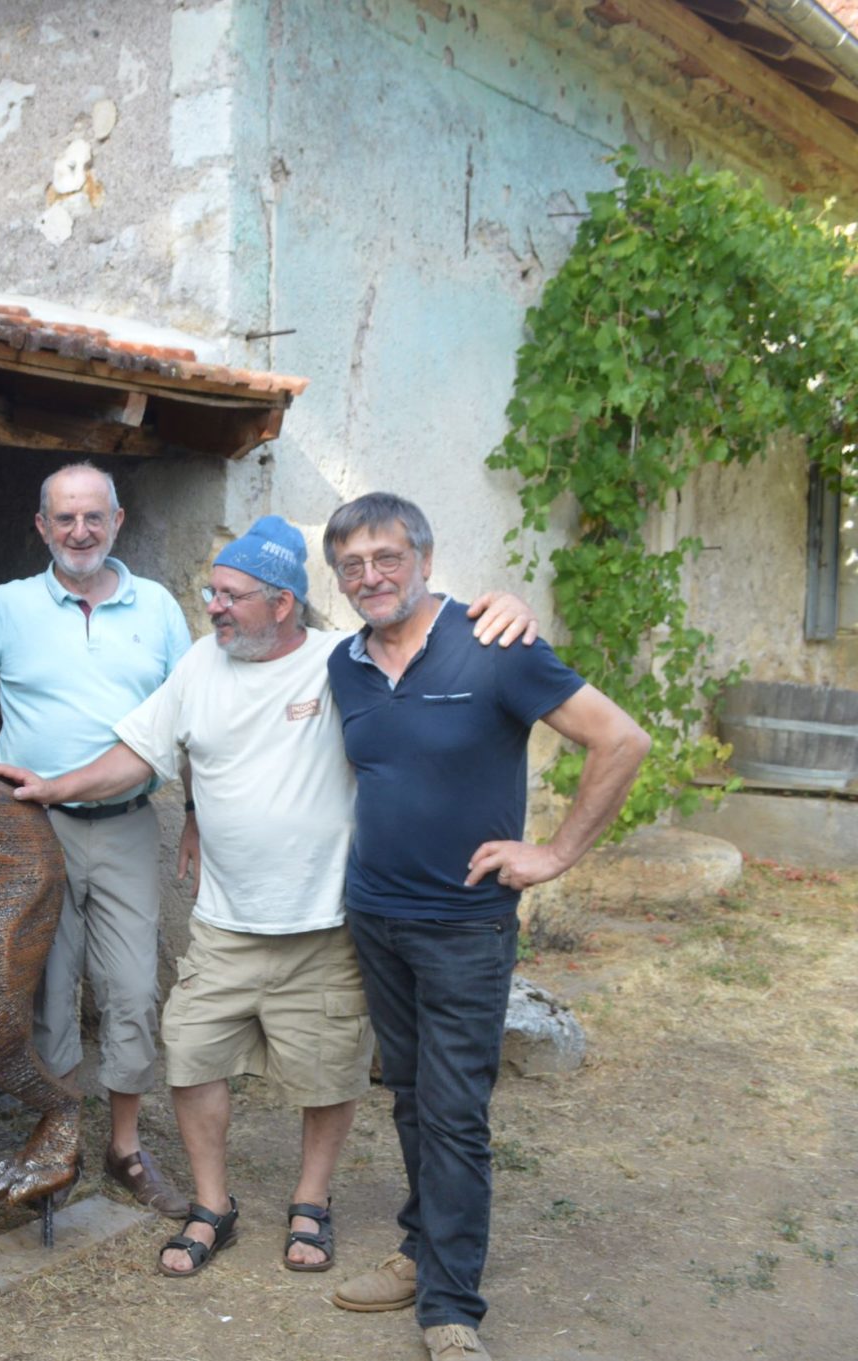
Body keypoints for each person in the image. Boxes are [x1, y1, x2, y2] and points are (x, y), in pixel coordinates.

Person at [0, 516, 537, 1282]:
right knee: (193, 1055)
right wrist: (54, 786)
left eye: (232, 594)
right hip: (224, 924)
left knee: (331, 1071)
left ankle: (312, 1200)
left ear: (283, 604)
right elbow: (137, 752)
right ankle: (214, 1204)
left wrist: (500, 607)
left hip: (326, 922)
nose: (213, 605)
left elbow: (416, 623)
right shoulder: (202, 665)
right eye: (212, 589)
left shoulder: (346, 660)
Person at [321, 493, 648, 1361]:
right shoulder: (344, 665)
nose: (371, 577)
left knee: (456, 1110)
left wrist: (556, 853)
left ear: (424, 557)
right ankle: (421, 1249)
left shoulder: (495, 643)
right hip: (377, 915)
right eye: (352, 565)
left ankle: (451, 1309)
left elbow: (621, 740)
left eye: (387, 557)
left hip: (465, 924)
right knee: (411, 1095)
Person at [0, 462, 192, 1215]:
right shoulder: (9, 605)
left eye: (92, 517)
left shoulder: (159, 608)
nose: (79, 531)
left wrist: (195, 814)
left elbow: (197, 715)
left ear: (118, 520)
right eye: (64, 518)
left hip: (129, 827)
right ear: (42, 527)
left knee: (133, 992)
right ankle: (55, 1139)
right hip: (30, 833)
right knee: (49, 992)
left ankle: (125, 1147)